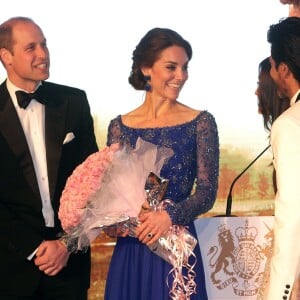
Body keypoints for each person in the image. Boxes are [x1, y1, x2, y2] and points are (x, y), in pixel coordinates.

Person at [104, 27, 219, 299]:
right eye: (171, 67)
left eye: (185, 67)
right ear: (146, 68)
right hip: (132, 250)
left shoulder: (201, 123)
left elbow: (206, 193)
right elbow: (112, 194)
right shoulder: (119, 127)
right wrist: (119, 216)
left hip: (176, 251)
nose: (181, 76)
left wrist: (168, 216)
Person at [0, 17, 98, 299]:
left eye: (44, 44)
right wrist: (35, 247)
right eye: (31, 47)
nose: (43, 54)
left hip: (69, 266)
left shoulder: (74, 102)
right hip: (9, 266)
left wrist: (66, 245)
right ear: (6, 56)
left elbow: (94, 182)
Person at [263, 17, 300, 300]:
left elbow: (293, 214)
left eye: (272, 65)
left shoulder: (289, 125)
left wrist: (280, 293)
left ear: (283, 69)